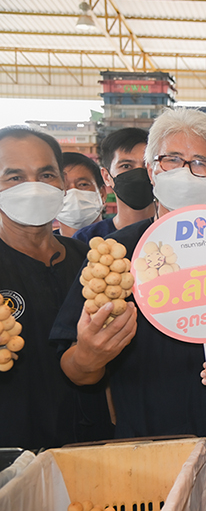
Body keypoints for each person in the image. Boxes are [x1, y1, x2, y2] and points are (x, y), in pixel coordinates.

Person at [51, 108, 206, 511]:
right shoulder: (116, 254)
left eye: (200, 163)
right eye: (171, 160)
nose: (185, 172)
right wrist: (91, 354)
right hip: (148, 446)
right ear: (150, 171)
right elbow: (74, 366)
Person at [0, 127, 111, 450]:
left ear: (62, 184)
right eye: (15, 177)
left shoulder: (91, 260)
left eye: (46, 174)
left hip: (93, 442)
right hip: (14, 452)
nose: (34, 187)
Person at [73, 128, 155, 242]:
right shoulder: (87, 239)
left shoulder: (177, 232)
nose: (140, 174)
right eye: (126, 166)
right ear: (106, 176)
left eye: (147, 166)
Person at [55, 152, 106, 238]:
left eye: (83, 184)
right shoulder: (41, 250)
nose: (73, 193)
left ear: (102, 194)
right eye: (63, 187)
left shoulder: (124, 243)